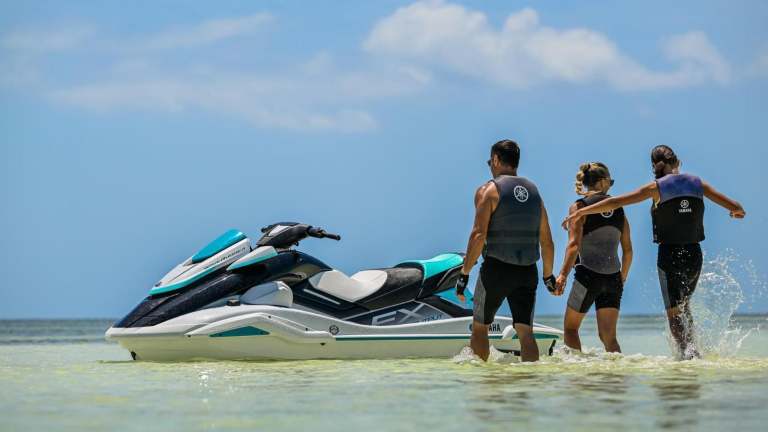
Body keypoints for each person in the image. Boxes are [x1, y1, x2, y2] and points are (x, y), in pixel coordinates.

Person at [563, 145, 745, 359]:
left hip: (669, 256)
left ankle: (688, 355)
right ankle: (693, 352)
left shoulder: (656, 187)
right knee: (684, 306)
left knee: (674, 312)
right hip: (695, 255)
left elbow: (615, 202)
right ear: (677, 162)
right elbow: (736, 207)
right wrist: (735, 212)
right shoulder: (698, 183)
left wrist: (581, 212)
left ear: (654, 166)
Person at [455, 139, 558, 362]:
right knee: (526, 332)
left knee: (480, 327)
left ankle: (484, 379)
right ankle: (529, 379)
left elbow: (478, 235)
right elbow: (547, 241)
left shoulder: (488, 191)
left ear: (495, 159)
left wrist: (464, 274)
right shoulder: (534, 193)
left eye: (489, 162)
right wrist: (548, 276)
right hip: (527, 271)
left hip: (496, 270)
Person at [555, 162, 633, 353]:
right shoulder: (618, 208)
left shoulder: (579, 207)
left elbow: (573, 246)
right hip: (613, 278)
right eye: (611, 182)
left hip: (587, 277)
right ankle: (616, 371)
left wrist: (562, 275)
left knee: (570, 329)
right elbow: (628, 250)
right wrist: (622, 277)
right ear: (603, 182)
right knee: (609, 337)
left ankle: (578, 371)